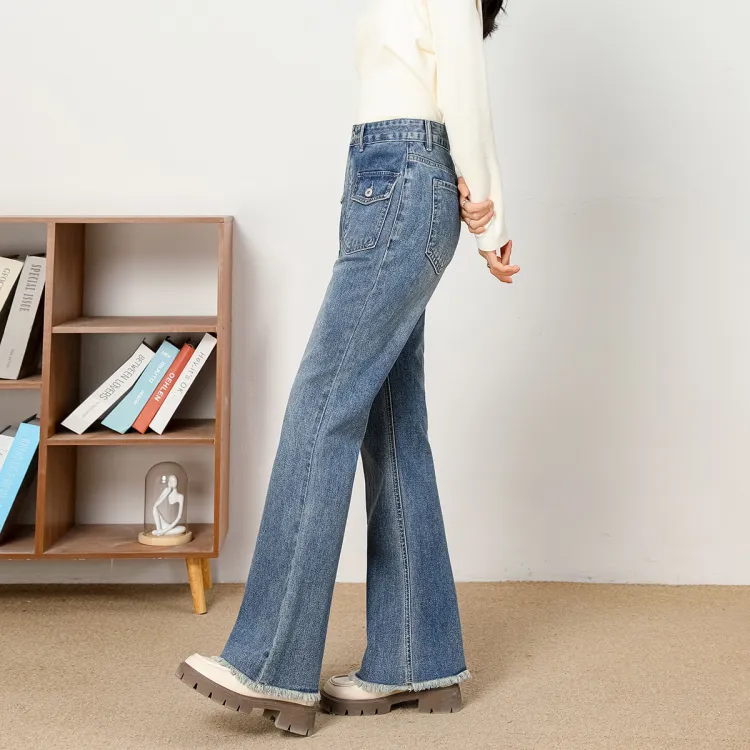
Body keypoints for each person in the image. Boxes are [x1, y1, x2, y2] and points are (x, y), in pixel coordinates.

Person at [176, 0, 519, 736]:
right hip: (382, 176)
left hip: (405, 178)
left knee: (322, 405)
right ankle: (414, 658)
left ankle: (272, 663)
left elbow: (465, 83)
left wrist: (493, 216)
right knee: (389, 424)